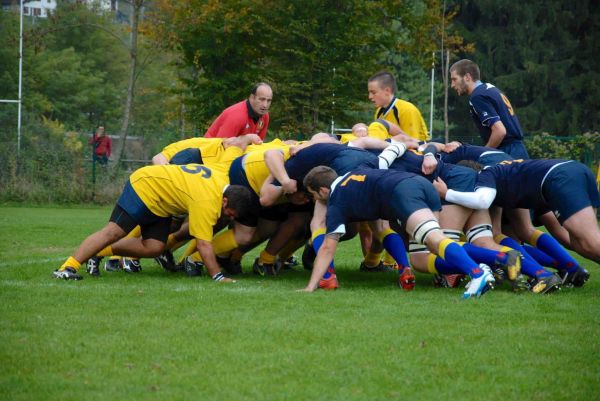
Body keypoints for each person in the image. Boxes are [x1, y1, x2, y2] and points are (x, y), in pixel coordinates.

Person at [52, 143, 254, 283]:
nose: (229, 217)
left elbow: (231, 148)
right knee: (113, 232)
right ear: (225, 200)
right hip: (145, 186)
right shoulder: (207, 201)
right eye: (230, 213)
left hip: (161, 201)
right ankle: (66, 268)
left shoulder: (221, 179)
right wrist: (217, 276)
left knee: (154, 247)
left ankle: (98, 252)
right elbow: (203, 244)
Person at [299, 166, 495, 299]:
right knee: (431, 245)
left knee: (434, 239)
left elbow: (327, 248)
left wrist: (311, 286)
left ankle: (477, 272)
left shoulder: (337, 199)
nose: (315, 199)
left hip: (403, 192)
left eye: (313, 194)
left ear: (324, 190)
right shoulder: (353, 174)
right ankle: (481, 267)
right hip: (421, 184)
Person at [433, 158, 600, 286]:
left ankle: (545, 273)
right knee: (580, 244)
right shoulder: (500, 179)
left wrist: (446, 193)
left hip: (558, 177)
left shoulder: (485, 175)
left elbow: (481, 201)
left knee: (590, 241)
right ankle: (565, 269)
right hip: (571, 171)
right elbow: (497, 231)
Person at [449, 59, 529, 160]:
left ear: (467, 77)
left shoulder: (477, 96)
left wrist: (483, 154)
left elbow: (500, 131)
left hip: (507, 152)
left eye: (454, 79)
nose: (452, 85)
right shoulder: (489, 89)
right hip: (518, 149)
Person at [367, 71, 430, 142]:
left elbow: (412, 143)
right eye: (369, 93)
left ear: (387, 91)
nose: (370, 97)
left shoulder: (407, 110)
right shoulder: (379, 111)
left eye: (373, 92)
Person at [205, 82, 273, 140]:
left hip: (237, 151)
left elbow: (258, 145)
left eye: (268, 100)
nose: (265, 105)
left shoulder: (265, 116)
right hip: (209, 150)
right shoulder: (237, 116)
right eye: (261, 99)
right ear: (252, 97)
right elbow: (221, 146)